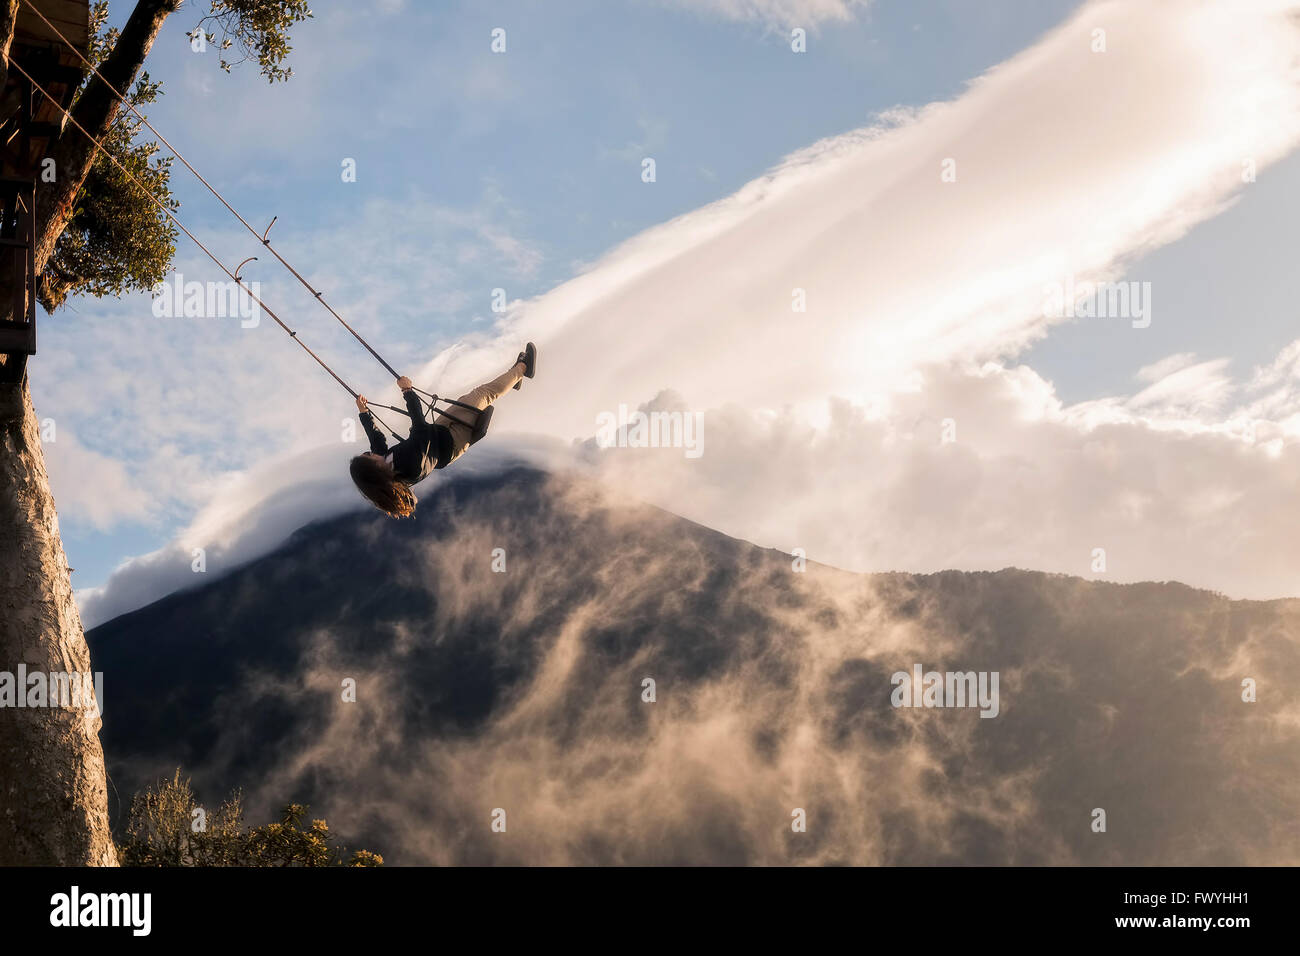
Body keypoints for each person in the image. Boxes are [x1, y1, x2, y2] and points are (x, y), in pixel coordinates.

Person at [349, 343, 536, 517]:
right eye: (368, 456)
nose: (370, 453)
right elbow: (419, 429)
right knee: (484, 394)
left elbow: (377, 441)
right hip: (453, 441)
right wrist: (408, 392)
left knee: (472, 396)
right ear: (375, 469)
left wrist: (364, 412)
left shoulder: (385, 463)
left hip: (438, 431)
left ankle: (512, 378)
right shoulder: (409, 468)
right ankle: (523, 369)